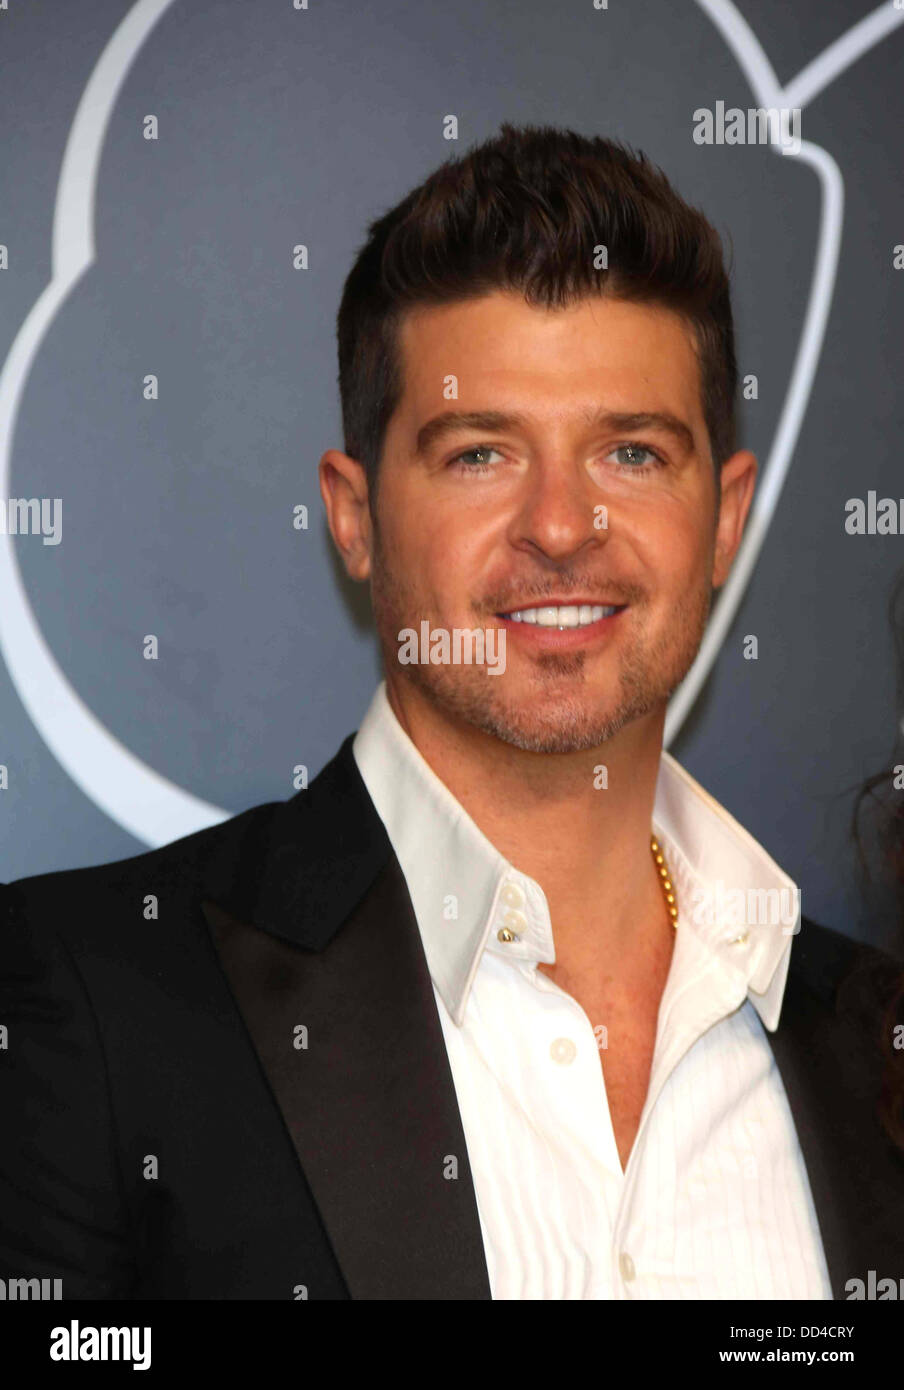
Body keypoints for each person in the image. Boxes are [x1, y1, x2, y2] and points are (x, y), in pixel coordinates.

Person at [2, 122, 903, 1301]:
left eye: (631, 453)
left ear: (725, 518)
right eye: (480, 454)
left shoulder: (873, 1039)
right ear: (355, 516)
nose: (561, 525)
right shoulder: (93, 999)